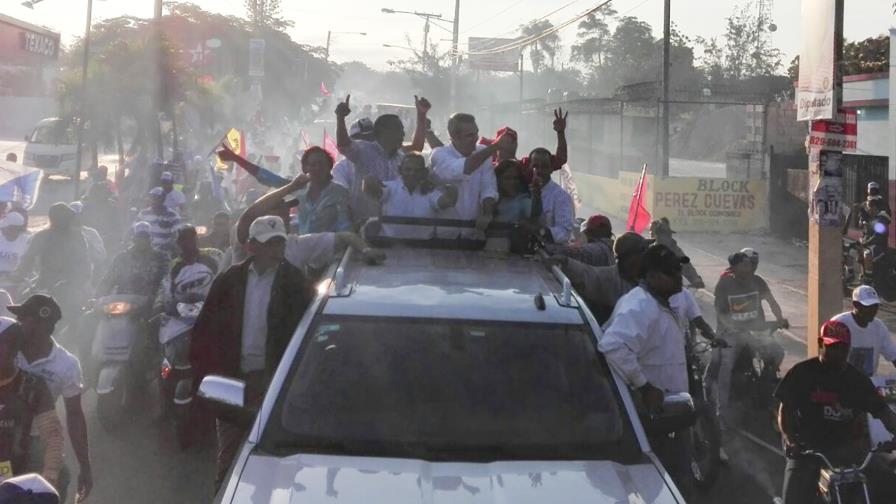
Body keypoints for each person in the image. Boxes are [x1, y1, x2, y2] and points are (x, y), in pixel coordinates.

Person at [189, 215, 314, 490]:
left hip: (275, 384)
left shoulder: (295, 283)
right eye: (269, 244)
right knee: (229, 463)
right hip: (234, 381)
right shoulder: (229, 280)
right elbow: (204, 332)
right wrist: (207, 379)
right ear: (251, 247)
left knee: (274, 463)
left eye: (279, 243)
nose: (275, 250)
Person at [598, 244, 692, 497]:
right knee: (655, 487)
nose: (679, 277)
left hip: (668, 414)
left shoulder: (660, 302)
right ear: (651, 276)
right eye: (672, 272)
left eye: (678, 271)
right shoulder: (640, 306)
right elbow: (613, 345)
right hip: (649, 418)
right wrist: (645, 386)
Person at [776, 319, 896, 504]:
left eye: (842, 348)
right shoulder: (802, 373)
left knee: (888, 485)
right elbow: (786, 411)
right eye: (832, 347)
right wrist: (791, 440)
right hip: (809, 449)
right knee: (793, 497)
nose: (837, 353)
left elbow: (882, 410)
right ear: (820, 344)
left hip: (848, 448)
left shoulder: (857, 380)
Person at [11, 296, 90, 502]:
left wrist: (85, 466)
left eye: (23, 318)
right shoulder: (6, 349)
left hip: (37, 442)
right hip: (4, 433)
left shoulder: (67, 365)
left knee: (57, 481)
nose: (17, 323)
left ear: (42, 324)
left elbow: (74, 416)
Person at [237, 181, 384, 274]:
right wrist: (291, 187)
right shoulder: (246, 243)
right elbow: (248, 216)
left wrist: (366, 250)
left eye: (286, 209)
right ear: (253, 247)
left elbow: (344, 236)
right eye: (277, 209)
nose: (285, 213)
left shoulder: (296, 244)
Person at [714, 250, 788, 426]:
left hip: (756, 331)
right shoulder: (724, 284)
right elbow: (720, 313)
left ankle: (764, 388)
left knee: (777, 352)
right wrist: (734, 328)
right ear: (735, 268)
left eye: (752, 264)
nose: (751, 267)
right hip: (732, 334)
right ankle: (721, 413)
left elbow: (772, 302)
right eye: (746, 264)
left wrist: (780, 319)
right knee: (725, 367)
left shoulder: (758, 281)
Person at [0, 316, 63, 492]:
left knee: (63, 474)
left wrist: (50, 474)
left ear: (14, 348)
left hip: (22, 472)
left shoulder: (32, 386)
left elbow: (52, 434)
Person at [431, 113, 509, 236]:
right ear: (454, 136)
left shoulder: (483, 151)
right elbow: (462, 169)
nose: (476, 138)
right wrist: (496, 146)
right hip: (445, 234)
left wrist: (487, 213)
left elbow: (488, 187)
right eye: (470, 135)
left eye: (476, 133)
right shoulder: (439, 154)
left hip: (474, 232)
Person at [551, 232, 651, 325]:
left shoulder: (650, 278)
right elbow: (586, 274)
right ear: (630, 256)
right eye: (643, 250)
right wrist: (566, 262)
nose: (646, 254)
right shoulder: (610, 279)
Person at [335, 95, 429, 183]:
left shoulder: (400, 156)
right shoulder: (363, 151)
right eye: (398, 130)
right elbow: (343, 145)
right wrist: (340, 117)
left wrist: (422, 115)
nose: (403, 134)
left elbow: (417, 148)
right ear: (383, 132)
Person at [363, 152, 458, 239]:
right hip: (389, 251)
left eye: (417, 170)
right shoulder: (389, 188)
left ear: (424, 172)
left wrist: (443, 185)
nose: (412, 173)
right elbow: (370, 189)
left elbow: (448, 201)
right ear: (400, 170)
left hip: (424, 252)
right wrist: (369, 180)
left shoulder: (431, 191)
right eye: (408, 169)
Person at [13, 203, 90, 292]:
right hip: (47, 283)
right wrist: (19, 274)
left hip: (72, 284)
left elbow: (85, 262)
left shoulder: (77, 236)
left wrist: (82, 282)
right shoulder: (43, 236)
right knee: (23, 299)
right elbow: (28, 258)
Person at [832, 285, 896, 376]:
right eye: (868, 306)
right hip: (843, 383)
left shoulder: (879, 327)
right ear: (855, 304)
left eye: (875, 306)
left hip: (869, 384)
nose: (873, 310)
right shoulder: (839, 324)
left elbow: (893, 354)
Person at [291, 147, 351, 235]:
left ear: (329, 167)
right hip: (302, 245)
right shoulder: (300, 191)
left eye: (322, 164)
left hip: (328, 246)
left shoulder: (340, 193)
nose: (317, 168)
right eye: (313, 164)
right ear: (305, 168)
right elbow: (279, 183)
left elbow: (345, 225)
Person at [529, 147, 575, 244]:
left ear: (551, 169)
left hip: (551, 252)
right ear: (529, 167)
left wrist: (540, 231)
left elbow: (564, 232)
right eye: (535, 166)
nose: (539, 171)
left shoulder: (561, 196)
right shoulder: (522, 189)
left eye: (544, 167)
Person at [649, 217, 705, 288]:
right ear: (658, 235)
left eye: (669, 234)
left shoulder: (674, 248)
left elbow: (687, 265)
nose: (669, 237)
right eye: (665, 235)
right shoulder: (651, 250)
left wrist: (696, 279)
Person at [546, 214, 614, 267]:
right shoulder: (607, 250)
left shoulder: (598, 250)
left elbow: (573, 252)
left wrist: (547, 245)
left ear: (590, 232)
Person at [136, 187, 183, 257]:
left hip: (164, 253)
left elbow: (177, 236)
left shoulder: (173, 216)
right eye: (152, 197)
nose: (153, 200)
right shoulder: (143, 214)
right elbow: (134, 230)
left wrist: (166, 247)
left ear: (163, 199)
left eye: (156, 198)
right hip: (144, 251)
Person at [493, 159, 541, 225]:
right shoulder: (489, 200)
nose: (512, 182)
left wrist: (537, 195)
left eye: (515, 178)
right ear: (498, 180)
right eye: (507, 178)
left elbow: (534, 213)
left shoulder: (522, 201)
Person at [67, 202, 106, 282]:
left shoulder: (91, 233)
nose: (76, 218)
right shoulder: (61, 233)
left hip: (85, 278)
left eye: (79, 215)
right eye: (73, 215)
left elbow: (101, 256)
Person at [0, 212, 30, 289]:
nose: (2, 228)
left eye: (5, 227)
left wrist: (11, 275)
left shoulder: (27, 242)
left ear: (15, 228)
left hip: (16, 284)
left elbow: (27, 267)